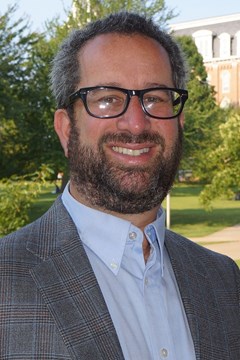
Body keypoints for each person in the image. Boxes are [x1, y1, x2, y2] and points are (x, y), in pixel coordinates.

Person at [0, 11, 239, 360]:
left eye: (155, 98)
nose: (136, 123)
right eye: (107, 98)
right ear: (67, 129)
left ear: (180, 121)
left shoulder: (223, 281)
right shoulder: (6, 280)